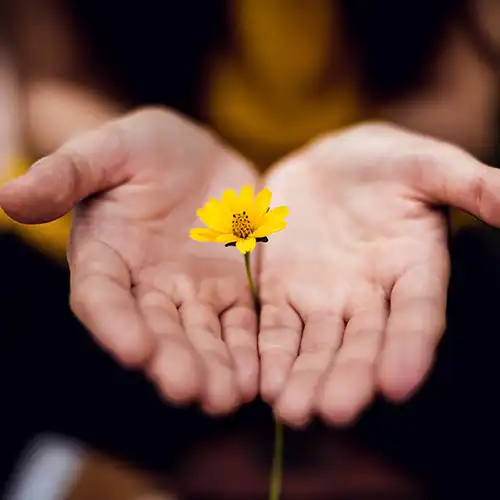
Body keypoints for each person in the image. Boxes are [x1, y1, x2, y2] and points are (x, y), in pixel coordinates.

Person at [1, 0, 500, 495]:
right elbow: (52, 84)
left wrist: (393, 153)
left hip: (382, 239)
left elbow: (464, 99)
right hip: (141, 232)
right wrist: (109, 148)